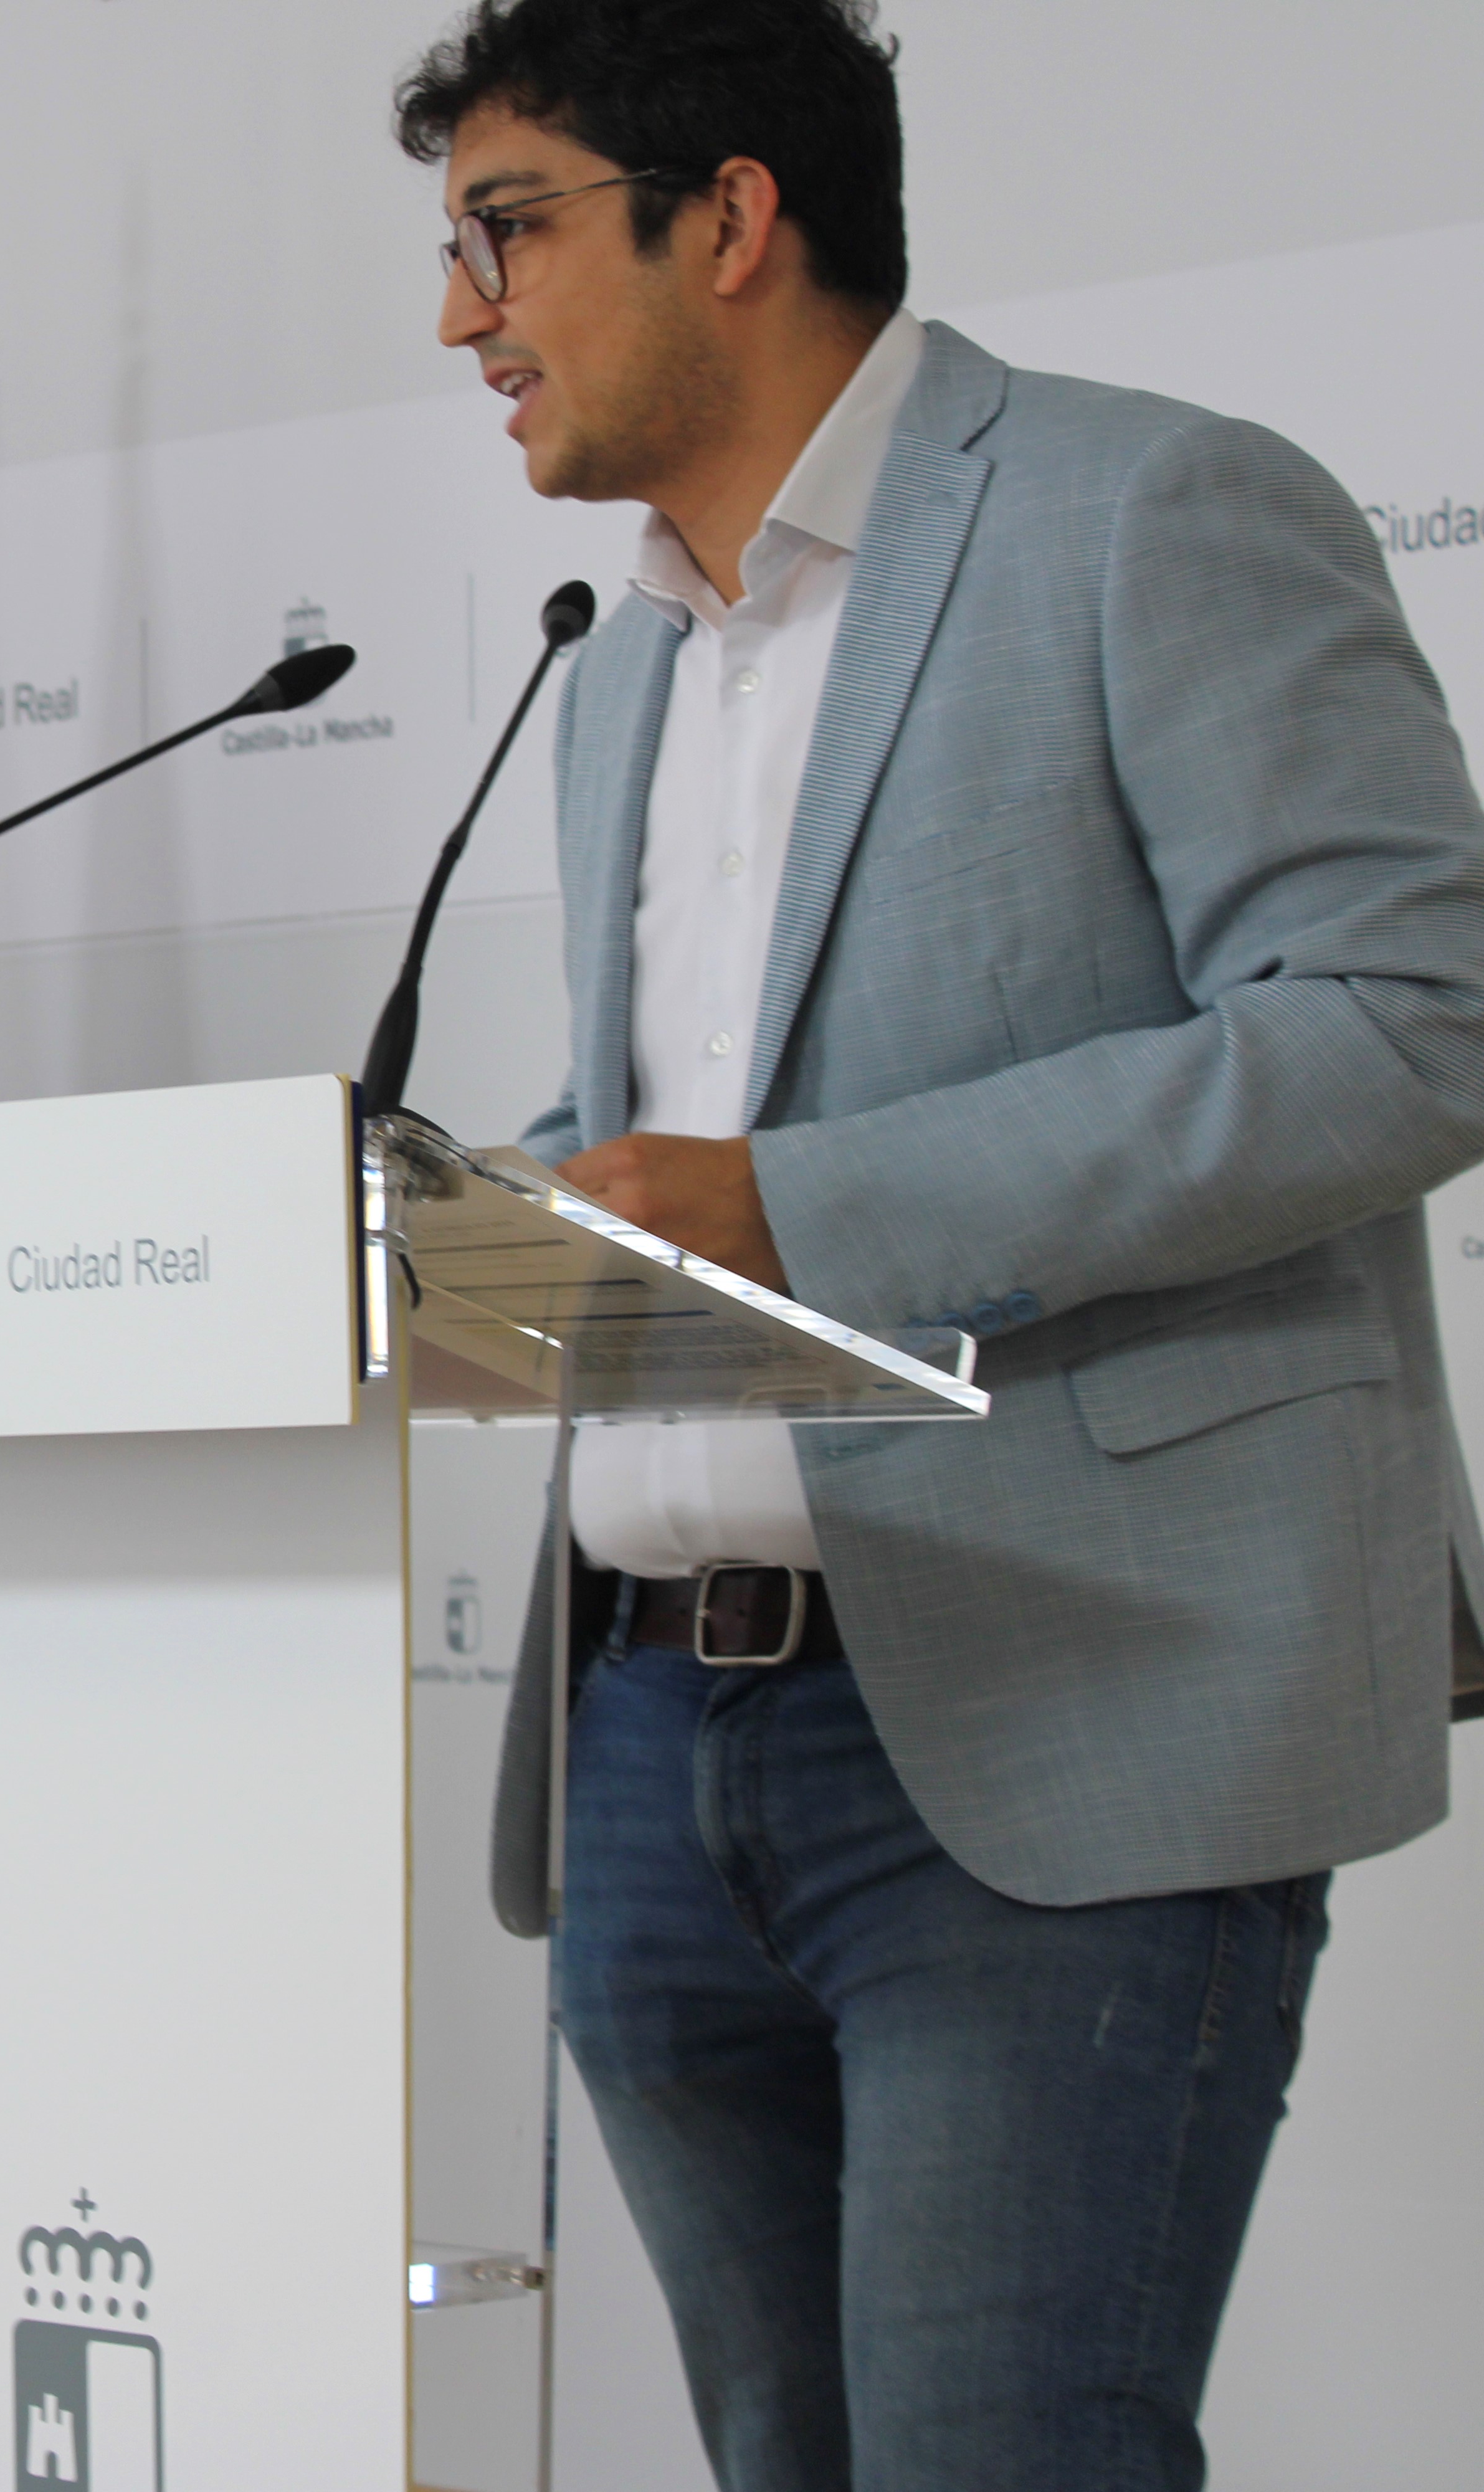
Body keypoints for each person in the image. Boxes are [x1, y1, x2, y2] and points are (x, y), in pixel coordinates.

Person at [394, 2, 1484, 2482]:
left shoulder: (1149, 511)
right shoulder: (624, 662)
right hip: (647, 1736)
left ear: (732, 218)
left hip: (1060, 1707)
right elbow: (674, 1139)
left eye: (508, 233)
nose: (463, 316)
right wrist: (454, 1231)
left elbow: (1410, 1019)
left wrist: (815, 1211)